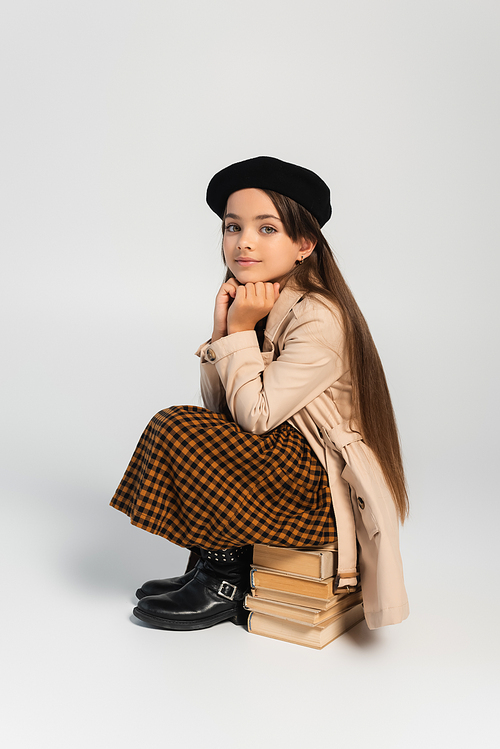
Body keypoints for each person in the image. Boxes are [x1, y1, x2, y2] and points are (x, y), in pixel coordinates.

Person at [110, 156, 409, 633]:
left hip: (317, 487)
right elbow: (220, 412)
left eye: (267, 228)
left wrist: (240, 331)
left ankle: (225, 580)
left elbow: (255, 418)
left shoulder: (319, 316)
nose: (243, 241)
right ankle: (215, 564)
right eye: (233, 227)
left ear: (304, 244)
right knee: (184, 424)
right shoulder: (259, 297)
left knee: (178, 427)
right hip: (279, 466)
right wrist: (223, 332)